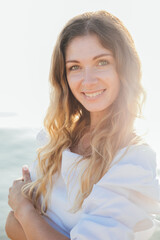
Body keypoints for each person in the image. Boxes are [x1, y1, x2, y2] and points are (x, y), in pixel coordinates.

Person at [5, 10, 160, 240]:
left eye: (102, 62)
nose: (88, 80)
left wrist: (24, 210)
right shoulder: (57, 139)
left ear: (123, 68)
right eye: (75, 67)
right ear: (64, 76)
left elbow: (18, 220)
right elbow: (10, 225)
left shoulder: (132, 160)